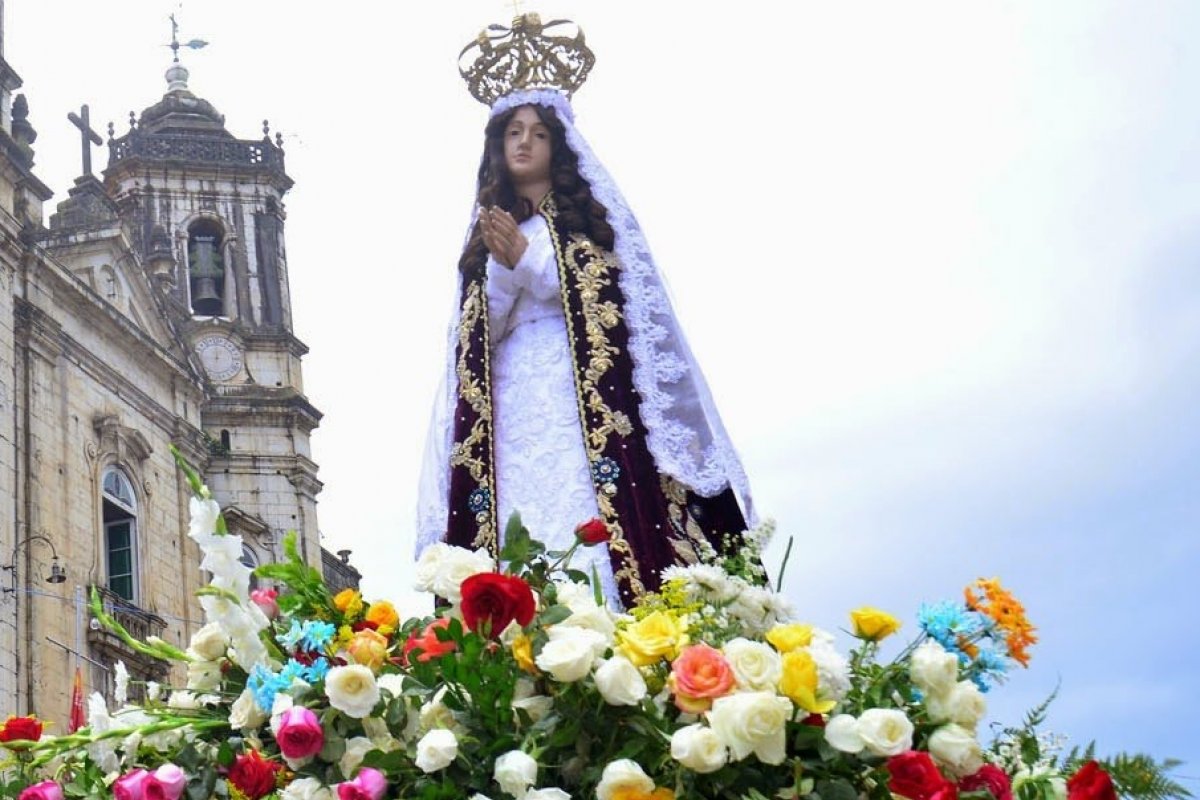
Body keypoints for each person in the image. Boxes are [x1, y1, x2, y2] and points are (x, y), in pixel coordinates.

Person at [418, 17, 754, 608]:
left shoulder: (587, 225)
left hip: (581, 395)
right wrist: (501, 264)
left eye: (538, 133)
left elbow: (611, 311)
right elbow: (476, 338)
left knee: (583, 500)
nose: (523, 143)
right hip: (514, 396)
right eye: (513, 133)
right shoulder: (489, 233)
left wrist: (527, 262)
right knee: (520, 503)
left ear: (558, 145)